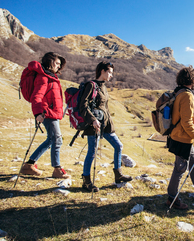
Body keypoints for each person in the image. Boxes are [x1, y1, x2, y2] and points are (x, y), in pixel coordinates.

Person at [79, 61, 132, 192]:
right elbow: (83, 106)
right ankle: (86, 181)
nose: (111, 75)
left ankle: (118, 175)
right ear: (102, 71)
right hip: (94, 124)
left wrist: (110, 124)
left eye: (112, 73)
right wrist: (92, 120)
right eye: (109, 72)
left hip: (105, 124)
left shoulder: (103, 86)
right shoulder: (91, 85)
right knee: (92, 151)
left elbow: (104, 108)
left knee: (118, 145)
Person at [166, 66, 194, 210]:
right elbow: (186, 122)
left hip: (181, 136)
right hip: (182, 138)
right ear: (192, 80)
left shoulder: (179, 92)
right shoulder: (187, 95)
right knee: (179, 169)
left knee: (193, 162)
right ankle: (172, 199)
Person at [20, 52, 71, 179]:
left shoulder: (50, 76)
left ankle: (29, 165)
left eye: (60, 64)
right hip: (47, 113)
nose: (59, 67)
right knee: (57, 139)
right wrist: (37, 113)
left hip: (52, 113)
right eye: (57, 63)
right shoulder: (43, 77)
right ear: (50, 62)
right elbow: (37, 96)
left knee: (51, 140)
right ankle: (57, 169)